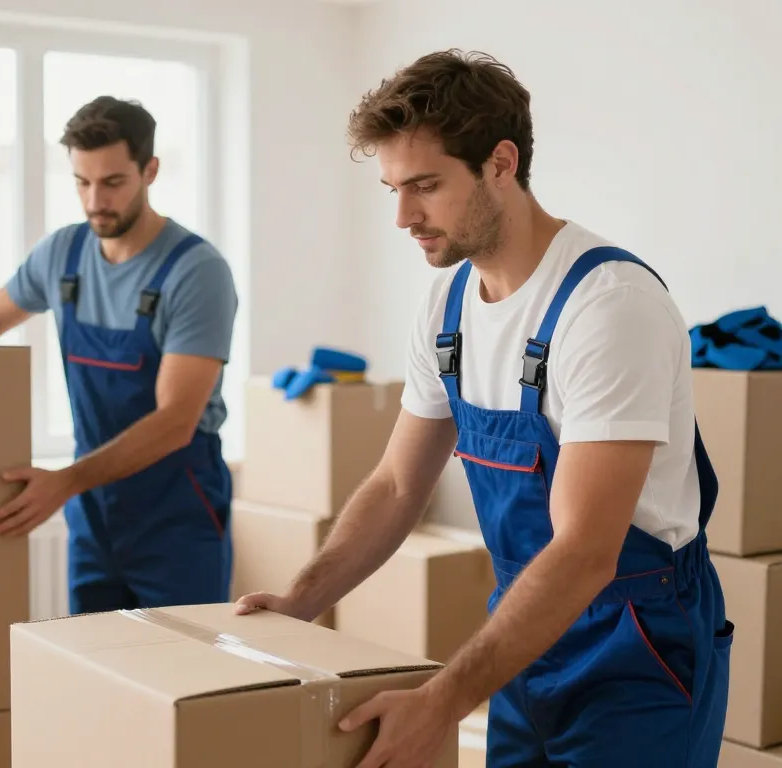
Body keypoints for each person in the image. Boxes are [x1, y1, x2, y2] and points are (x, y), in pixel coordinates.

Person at [235, 50, 732, 768]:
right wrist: (301, 601)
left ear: (501, 163)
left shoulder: (608, 306)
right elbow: (399, 485)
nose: (404, 216)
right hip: (526, 634)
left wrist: (439, 702)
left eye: (426, 186)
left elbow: (588, 551)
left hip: (636, 643)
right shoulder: (447, 304)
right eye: (393, 189)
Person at [0, 96, 238, 616]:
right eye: (81, 182)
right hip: (94, 514)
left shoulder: (196, 273)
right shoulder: (62, 254)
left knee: (181, 679)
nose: (95, 201)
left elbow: (175, 422)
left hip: (177, 515)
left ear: (150, 171)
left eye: (112, 182)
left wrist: (64, 483)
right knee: (91, 674)